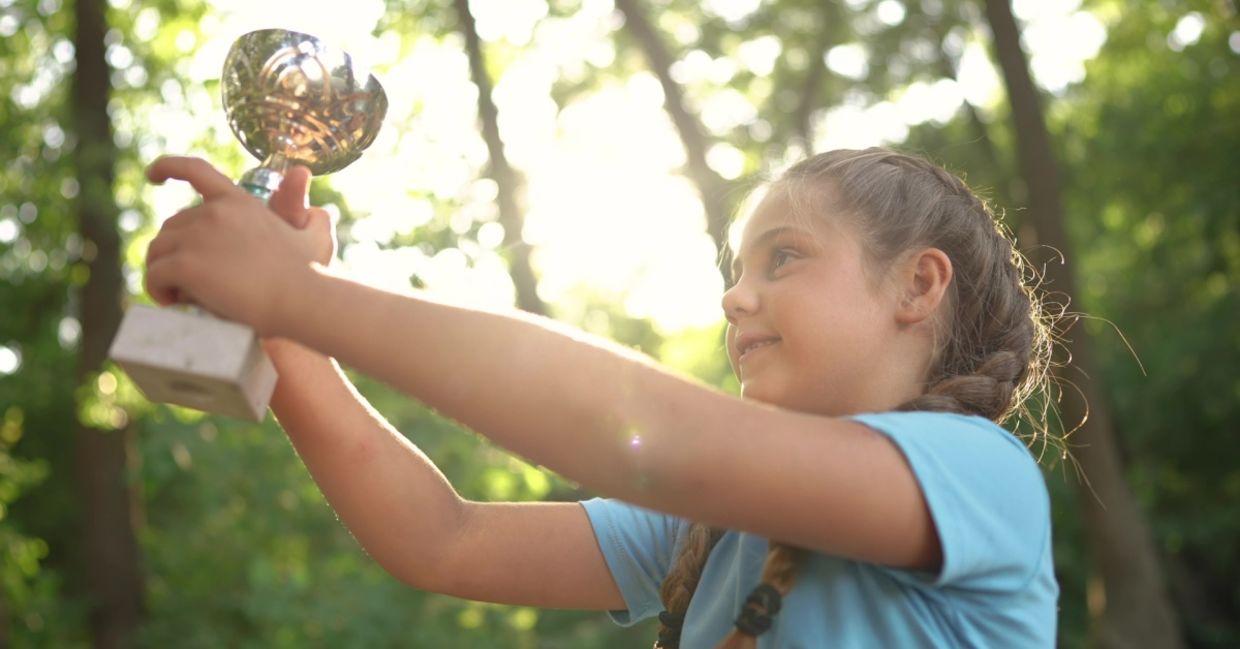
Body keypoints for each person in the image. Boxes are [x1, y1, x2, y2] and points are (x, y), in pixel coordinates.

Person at [143, 147, 1060, 648]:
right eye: (735, 270)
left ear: (918, 286)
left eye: (784, 257)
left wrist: (304, 296)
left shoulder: (982, 475)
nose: (736, 297)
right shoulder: (712, 530)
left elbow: (660, 441)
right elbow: (442, 540)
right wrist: (283, 329)